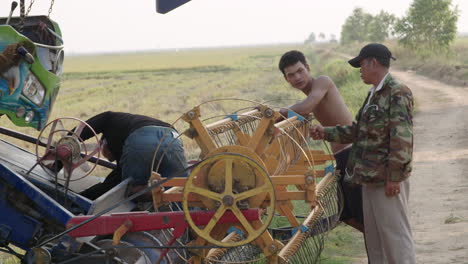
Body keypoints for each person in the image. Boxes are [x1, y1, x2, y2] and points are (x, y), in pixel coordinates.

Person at [310, 43, 416, 263]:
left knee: (395, 237)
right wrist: (325, 132)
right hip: (368, 178)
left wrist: (394, 177)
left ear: (373, 63)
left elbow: (402, 139)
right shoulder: (373, 95)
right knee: (375, 239)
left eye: (361, 64)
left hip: (386, 179)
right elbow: (358, 131)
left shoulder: (397, 92)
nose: (359, 69)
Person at [278, 50, 365, 232]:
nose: (297, 77)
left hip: (352, 153)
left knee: (363, 216)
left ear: (308, 68)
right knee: (348, 215)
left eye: (300, 70)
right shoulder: (311, 93)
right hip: (341, 156)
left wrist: (274, 113)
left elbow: (306, 107)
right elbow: (302, 109)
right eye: (291, 75)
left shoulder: (322, 83)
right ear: (287, 80)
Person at [78, 111, 188, 200]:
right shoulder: (124, 126)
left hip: (143, 137)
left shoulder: (110, 123)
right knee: (178, 188)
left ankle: (155, 193)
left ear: (103, 143)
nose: (110, 160)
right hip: (173, 138)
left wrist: (71, 139)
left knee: (132, 191)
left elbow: (113, 184)